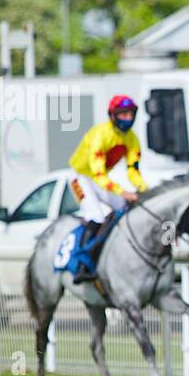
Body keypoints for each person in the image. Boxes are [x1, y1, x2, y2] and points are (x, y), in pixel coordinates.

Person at [66, 94, 148, 284]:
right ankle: (82, 263)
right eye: (123, 115)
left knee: (124, 209)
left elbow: (133, 172)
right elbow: (98, 174)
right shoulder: (100, 134)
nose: (128, 119)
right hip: (80, 177)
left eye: (131, 114)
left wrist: (144, 189)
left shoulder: (132, 140)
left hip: (99, 179)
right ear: (113, 116)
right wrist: (123, 192)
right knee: (96, 215)